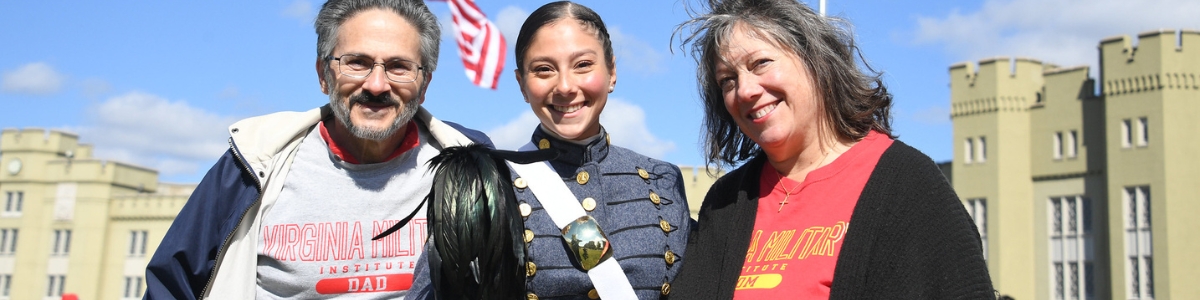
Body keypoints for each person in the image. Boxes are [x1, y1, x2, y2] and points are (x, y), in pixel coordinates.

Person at [143, 0, 491, 298]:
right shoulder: (252, 163)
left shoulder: (475, 165)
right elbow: (171, 286)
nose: (377, 84)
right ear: (323, 74)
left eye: (399, 67)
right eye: (357, 62)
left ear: (424, 83)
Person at [670, 0, 994, 298]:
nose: (745, 90)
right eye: (728, 80)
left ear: (816, 61)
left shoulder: (908, 186)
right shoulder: (727, 202)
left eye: (760, 63)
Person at [409, 2, 691, 299]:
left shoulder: (662, 179)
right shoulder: (481, 184)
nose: (565, 86)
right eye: (544, 70)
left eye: (583, 65)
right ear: (522, 85)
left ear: (612, 71)